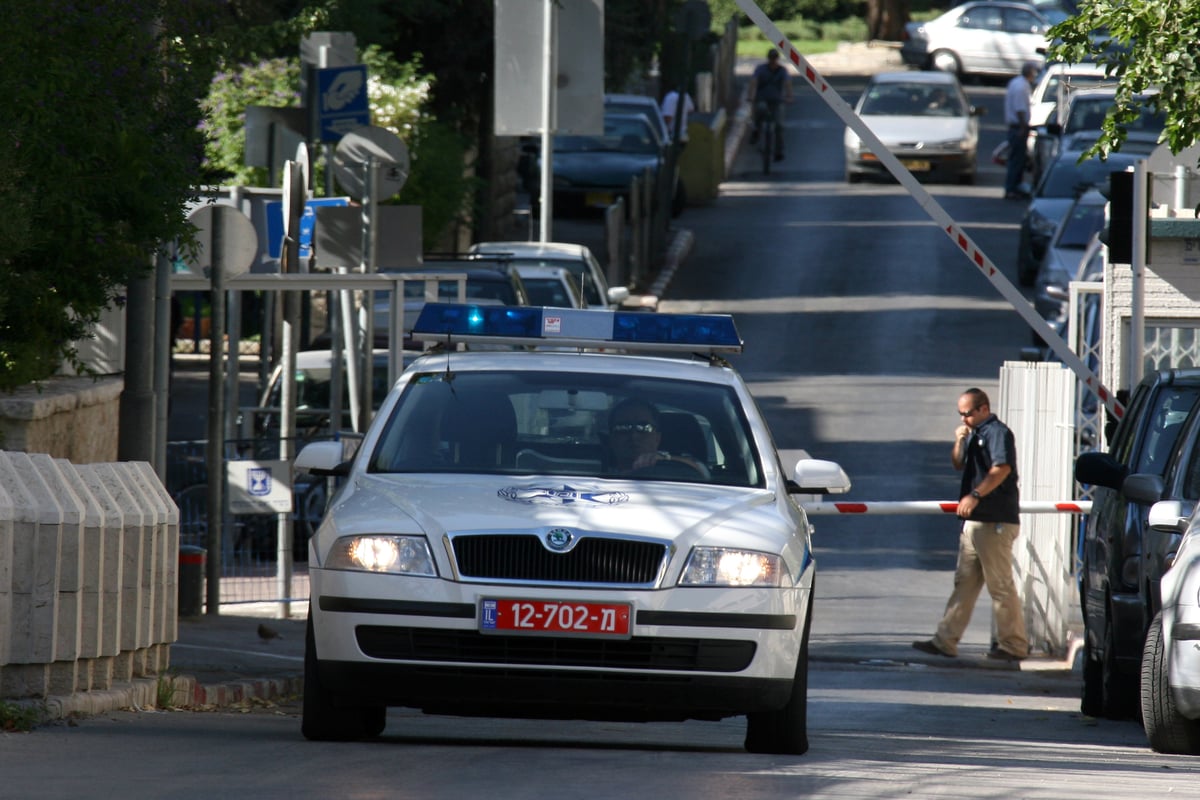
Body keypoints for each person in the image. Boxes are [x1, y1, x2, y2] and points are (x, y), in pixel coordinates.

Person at [912, 388, 1030, 663]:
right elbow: (957, 463)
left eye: (968, 413)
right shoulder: (974, 434)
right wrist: (959, 441)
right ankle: (945, 641)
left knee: (1000, 585)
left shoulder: (997, 433)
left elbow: (1002, 469)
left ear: (983, 409)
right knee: (965, 582)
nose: (964, 419)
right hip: (975, 522)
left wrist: (976, 495)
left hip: (994, 520)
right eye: (960, 414)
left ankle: (1013, 644)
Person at [606, 398, 704, 475]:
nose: (634, 436)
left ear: (657, 438)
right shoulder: (594, 475)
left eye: (644, 428)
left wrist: (664, 460)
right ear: (612, 438)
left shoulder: (678, 475)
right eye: (623, 428)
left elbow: (700, 471)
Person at [747, 48, 794, 162]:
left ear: (777, 59)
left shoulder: (782, 70)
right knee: (760, 111)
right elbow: (754, 82)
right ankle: (756, 131)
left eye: (775, 58)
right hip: (762, 98)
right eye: (771, 58)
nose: (773, 61)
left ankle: (778, 151)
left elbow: (787, 84)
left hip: (777, 100)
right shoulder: (760, 69)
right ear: (768, 59)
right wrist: (751, 96)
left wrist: (789, 96)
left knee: (779, 125)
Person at [1003, 61, 1039, 200]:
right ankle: (1011, 188)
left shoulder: (1016, 82)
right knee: (1016, 160)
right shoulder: (1021, 87)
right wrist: (1024, 127)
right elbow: (1020, 109)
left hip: (1016, 127)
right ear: (1030, 73)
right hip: (1018, 127)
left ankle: (1015, 186)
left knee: (1018, 158)